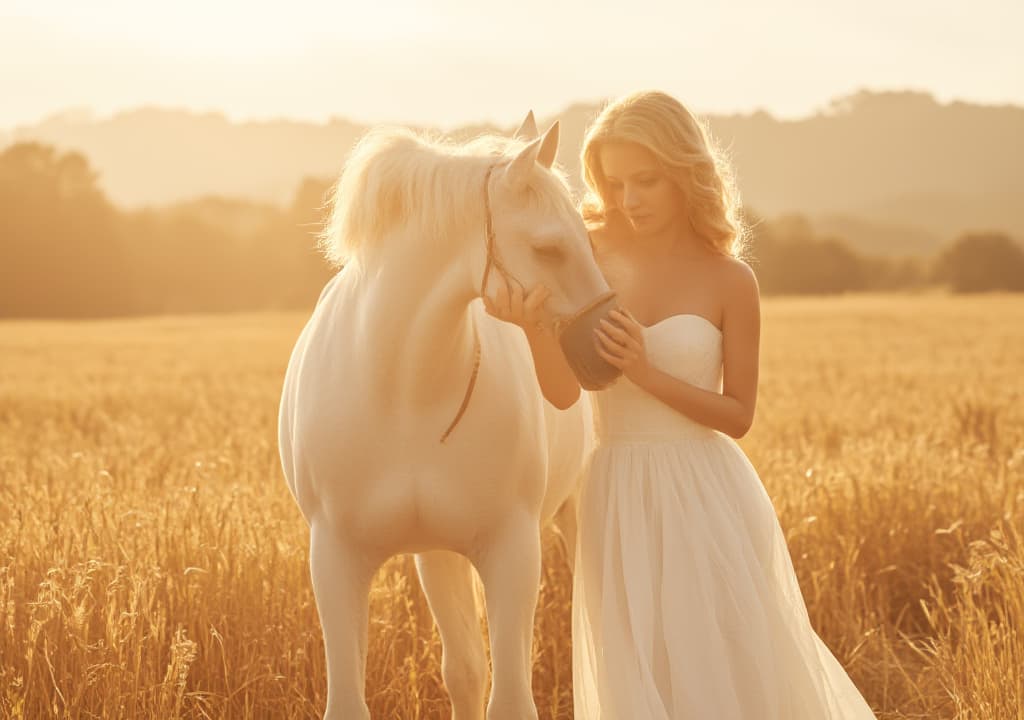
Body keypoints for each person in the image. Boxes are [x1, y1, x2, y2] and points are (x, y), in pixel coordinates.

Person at [484, 90, 877, 719]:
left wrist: (644, 372)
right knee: (636, 670)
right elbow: (564, 395)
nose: (629, 199)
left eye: (647, 181)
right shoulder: (587, 255)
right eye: (614, 184)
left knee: (721, 661)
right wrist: (534, 329)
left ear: (685, 173)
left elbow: (738, 416)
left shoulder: (730, 278)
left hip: (706, 492)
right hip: (612, 489)